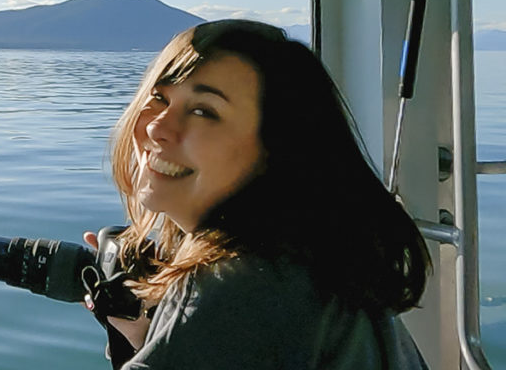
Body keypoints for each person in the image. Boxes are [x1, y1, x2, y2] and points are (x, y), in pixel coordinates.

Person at [82, 19, 431, 369]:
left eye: (204, 111)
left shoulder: (239, 284)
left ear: (274, 153)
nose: (158, 127)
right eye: (159, 98)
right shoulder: (310, 262)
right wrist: (151, 340)